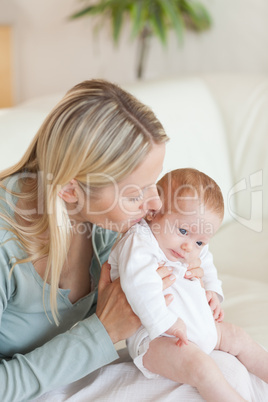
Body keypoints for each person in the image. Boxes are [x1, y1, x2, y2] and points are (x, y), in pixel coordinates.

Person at [0, 80, 204, 402]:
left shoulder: (110, 224)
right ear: (69, 189)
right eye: (135, 194)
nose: (154, 205)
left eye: (155, 184)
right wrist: (103, 331)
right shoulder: (5, 244)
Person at [109, 168, 268, 402]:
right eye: (182, 230)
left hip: (199, 324)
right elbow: (138, 287)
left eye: (199, 241)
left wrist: (213, 290)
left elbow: (206, 259)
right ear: (154, 212)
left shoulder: (189, 245)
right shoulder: (139, 242)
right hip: (155, 337)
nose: (188, 247)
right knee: (202, 368)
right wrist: (166, 323)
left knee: (238, 337)